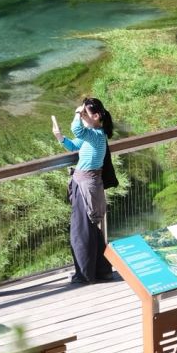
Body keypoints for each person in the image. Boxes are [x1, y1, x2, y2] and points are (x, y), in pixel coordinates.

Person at [52, 98, 114, 285]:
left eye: (86, 113)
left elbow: (77, 130)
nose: (83, 116)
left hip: (86, 185)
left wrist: (77, 113)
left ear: (96, 116)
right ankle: (102, 270)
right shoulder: (93, 135)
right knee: (89, 229)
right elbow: (74, 145)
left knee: (81, 230)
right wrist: (60, 137)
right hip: (85, 184)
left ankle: (85, 275)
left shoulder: (96, 135)